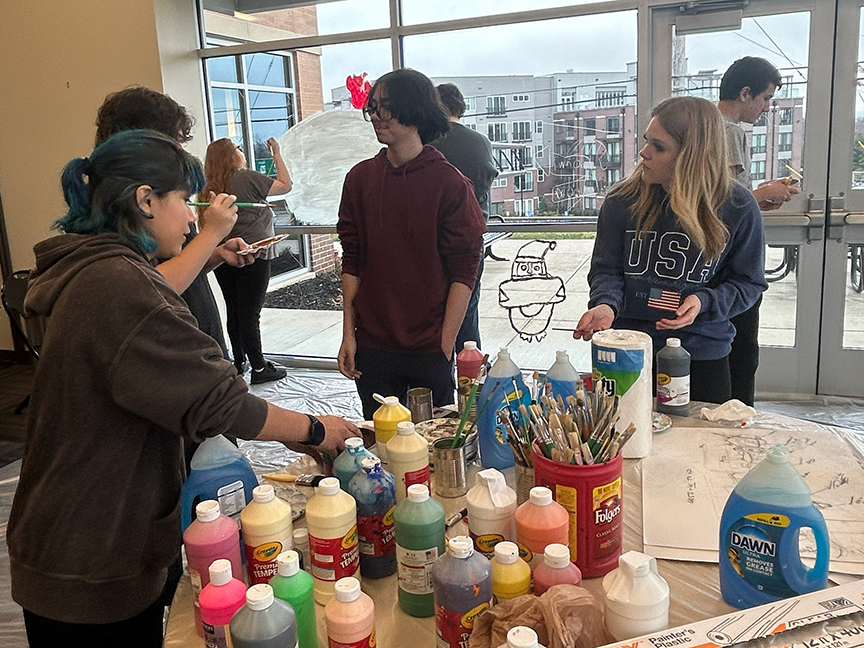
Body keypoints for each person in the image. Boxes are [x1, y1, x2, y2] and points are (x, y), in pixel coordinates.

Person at [6, 129, 359, 647]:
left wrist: (211, 252)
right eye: (186, 202)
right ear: (145, 200)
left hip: (82, 535)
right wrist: (311, 429)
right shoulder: (116, 285)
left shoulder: (106, 269)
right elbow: (217, 400)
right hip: (89, 551)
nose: (195, 218)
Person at [574, 96, 768, 403]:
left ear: (693, 155)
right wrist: (606, 304)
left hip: (701, 353)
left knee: (700, 448)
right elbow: (606, 270)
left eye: (658, 147)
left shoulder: (738, 207)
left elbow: (749, 283)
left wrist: (705, 301)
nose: (643, 153)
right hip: (628, 350)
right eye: (646, 141)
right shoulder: (621, 201)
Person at [336, 68, 486, 419]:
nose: (375, 115)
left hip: (428, 346)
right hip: (373, 344)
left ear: (415, 110)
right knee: (382, 448)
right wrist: (348, 334)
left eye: (386, 107)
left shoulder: (449, 183)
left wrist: (444, 346)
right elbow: (352, 260)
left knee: (433, 450)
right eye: (373, 107)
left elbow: (465, 271)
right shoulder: (359, 179)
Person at [96, 86, 255, 359]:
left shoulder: (160, 201)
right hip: (173, 357)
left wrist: (215, 252)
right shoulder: (113, 216)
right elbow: (146, 289)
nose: (192, 214)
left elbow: (179, 266)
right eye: (174, 142)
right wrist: (211, 234)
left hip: (198, 344)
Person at [718, 57, 800, 406]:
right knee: (742, 354)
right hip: (732, 261)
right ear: (746, 92)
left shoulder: (709, 126)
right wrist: (760, 197)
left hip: (716, 261)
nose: (766, 108)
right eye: (765, 98)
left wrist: (760, 196)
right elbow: (724, 205)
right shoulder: (729, 131)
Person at [201, 136, 293, 383]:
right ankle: (260, 367)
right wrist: (276, 153)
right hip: (254, 252)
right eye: (237, 148)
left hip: (223, 254)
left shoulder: (208, 185)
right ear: (231, 156)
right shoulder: (245, 176)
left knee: (234, 309)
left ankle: (239, 362)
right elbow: (286, 185)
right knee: (250, 313)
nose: (242, 149)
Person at [431, 82, 499, 352]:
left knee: (435, 309)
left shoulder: (426, 142)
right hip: (470, 239)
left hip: (432, 238)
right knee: (468, 307)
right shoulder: (479, 141)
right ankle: (472, 372)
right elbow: (486, 179)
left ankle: (440, 373)